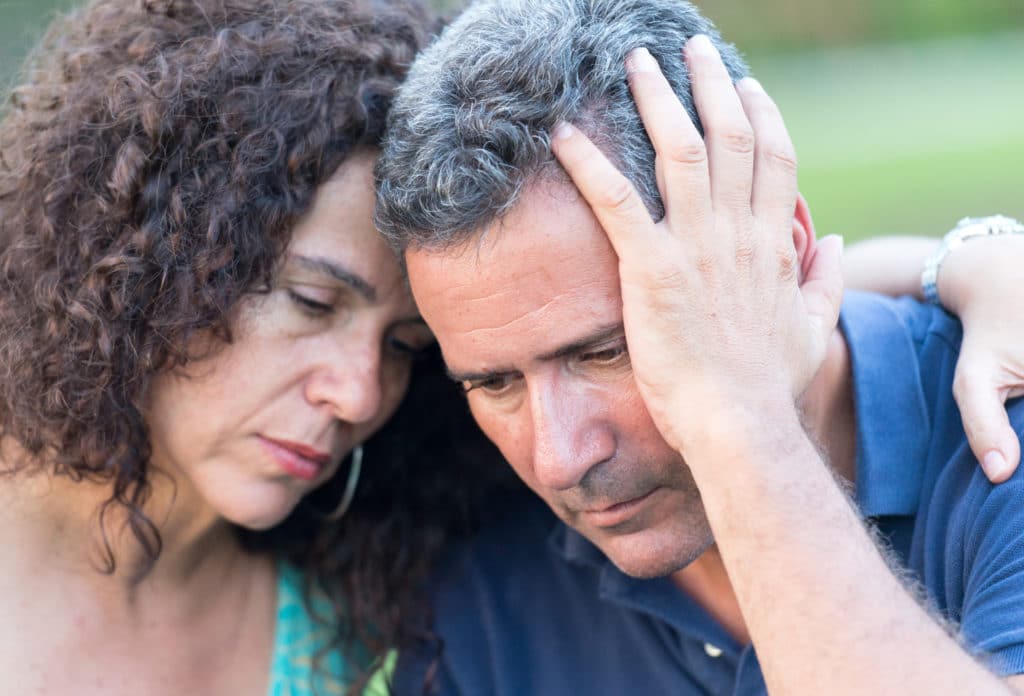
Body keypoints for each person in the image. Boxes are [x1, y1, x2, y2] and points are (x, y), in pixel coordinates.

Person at [374, 0, 1024, 693]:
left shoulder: (1000, 440)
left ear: (784, 252)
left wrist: (744, 422)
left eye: (607, 353)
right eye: (494, 383)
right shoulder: (480, 599)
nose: (559, 459)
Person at [0, 0, 508, 693]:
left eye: (403, 346)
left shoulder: (335, 635)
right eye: (313, 302)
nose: (359, 394)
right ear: (158, 257)